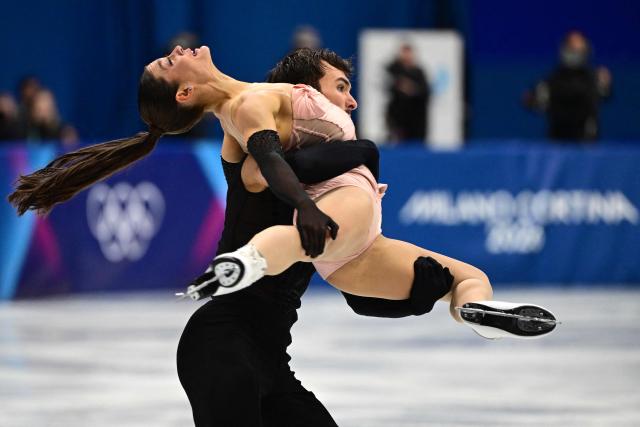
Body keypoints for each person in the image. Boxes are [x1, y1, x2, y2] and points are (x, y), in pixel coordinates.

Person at [8, 45, 557, 341]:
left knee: (467, 278)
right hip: (342, 210)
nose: (177, 48)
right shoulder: (254, 106)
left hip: (356, 255)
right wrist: (309, 200)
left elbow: (265, 164)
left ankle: (481, 312)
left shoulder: (257, 100)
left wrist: (352, 153)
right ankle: (239, 265)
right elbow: (261, 169)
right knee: (299, 237)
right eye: (340, 86)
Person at [523, 31, 612, 142]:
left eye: (579, 49)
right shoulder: (551, 81)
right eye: (572, 48)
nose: (575, 53)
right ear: (564, 49)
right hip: (557, 142)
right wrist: (534, 100)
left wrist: (604, 85)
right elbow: (532, 103)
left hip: (587, 143)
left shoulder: (594, 79)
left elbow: (606, 95)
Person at [385, 43, 430, 144]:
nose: (406, 56)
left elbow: (425, 92)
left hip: (416, 118)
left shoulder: (419, 72)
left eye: (408, 53)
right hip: (399, 117)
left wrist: (412, 89)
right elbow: (389, 88)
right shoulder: (394, 70)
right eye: (404, 53)